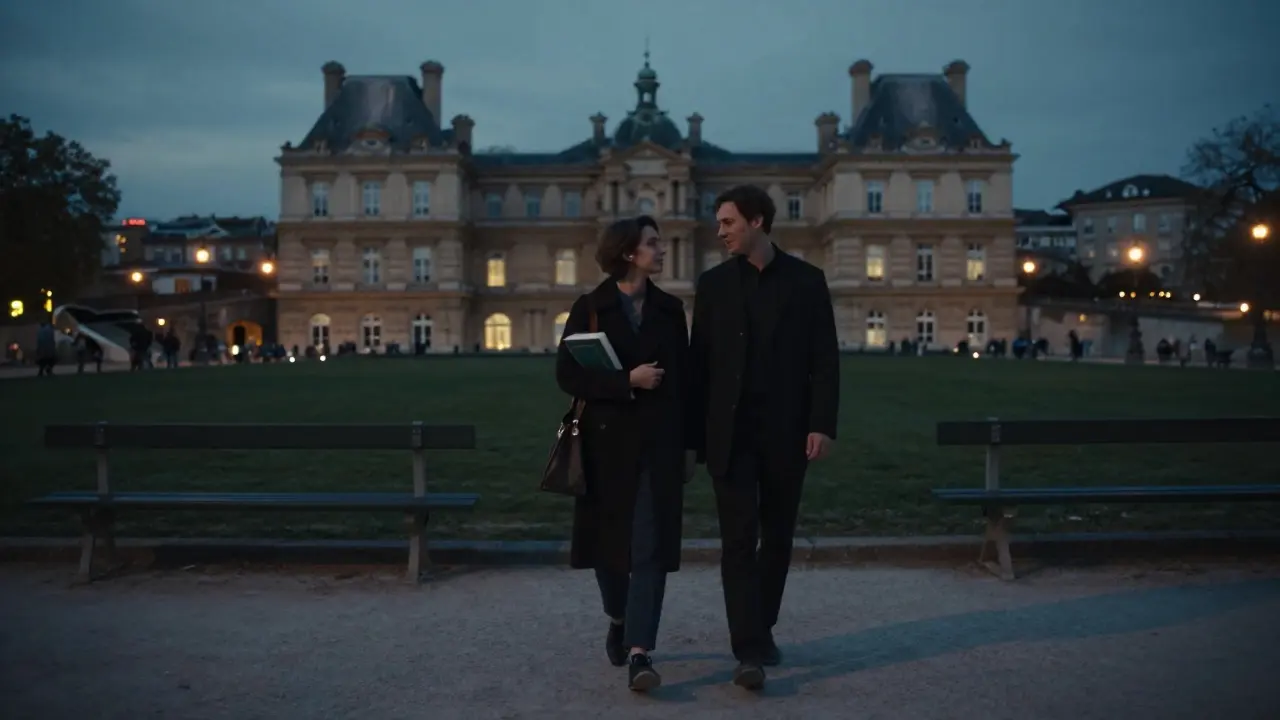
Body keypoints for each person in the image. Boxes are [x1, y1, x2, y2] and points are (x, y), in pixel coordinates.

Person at [688, 184, 840, 691]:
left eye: (727, 222)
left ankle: (762, 627)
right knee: (737, 542)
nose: (720, 231)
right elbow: (700, 368)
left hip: (786, 433)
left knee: (777, 539)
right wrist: (695, 438)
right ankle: (747, 648)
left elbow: (825, 362)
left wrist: (821, 423)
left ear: (756, 221)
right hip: (730, 435)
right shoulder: (712, 286)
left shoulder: (806, 281)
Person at [554, 215, 696, 692]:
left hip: (657, 448)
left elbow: (684, 385)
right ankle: (617, 617)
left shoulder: (671, 310)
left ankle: (640, 652)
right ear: (629, 253)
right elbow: (567, 377)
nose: (662, 249)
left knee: (649, 550)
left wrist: (689, 447)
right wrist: (625, 382)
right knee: (608, 555)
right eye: (653, 244)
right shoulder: (589, 308)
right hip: (603, 450)